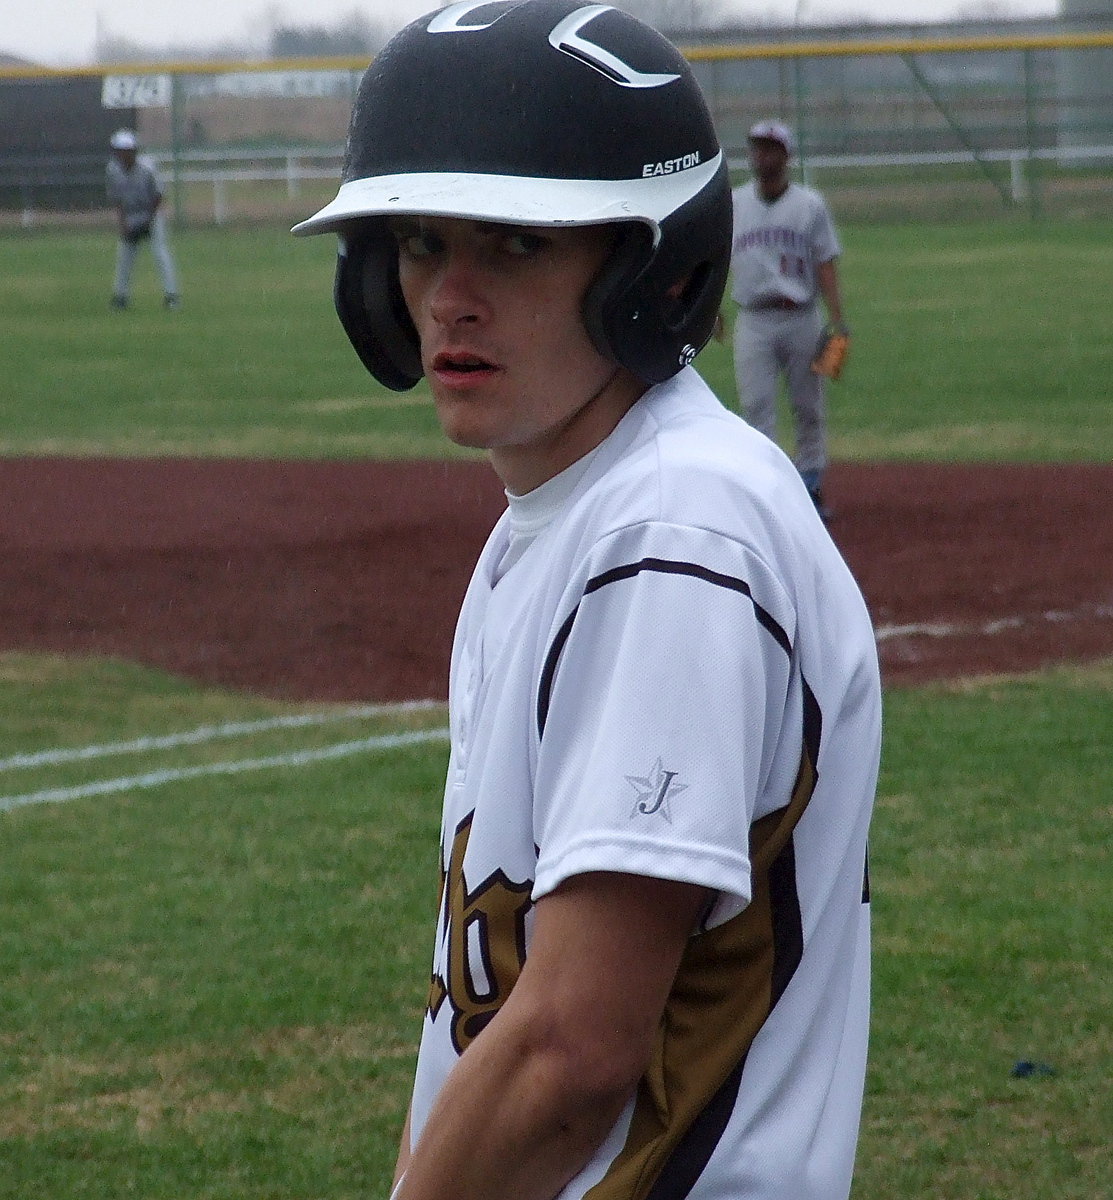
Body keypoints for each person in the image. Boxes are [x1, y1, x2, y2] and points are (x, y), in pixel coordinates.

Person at [294, 3, 881, 1198]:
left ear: (646, 270)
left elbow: (571, 1051)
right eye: (417, 242)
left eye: (513, 245)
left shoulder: (671, 533)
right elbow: (488, 1031)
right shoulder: (574, 514)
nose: (446, 296)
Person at [730, 119, 847, 521]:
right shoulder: (736, 203)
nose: (762, 155)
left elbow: (826, 261)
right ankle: (767, 493)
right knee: (755, 406)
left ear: (786, 155)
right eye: (757, 147)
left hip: (801, 318)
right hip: (754, 320)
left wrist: (838, 321)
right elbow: (714, 258)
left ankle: (810, 488)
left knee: (808, 406)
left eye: (770, 148)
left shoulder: (809, 205)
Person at [105, 128, 180, 310]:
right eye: (121, 150)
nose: (125, 154)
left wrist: (149, 221)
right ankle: (120, 297)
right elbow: (117, 199)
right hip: (130, 216)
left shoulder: (147, 168)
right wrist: (123, 224)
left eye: (128, 150)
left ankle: (172, 296)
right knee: (125, 257)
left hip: (151, 214)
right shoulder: (112, 170)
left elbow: (158, 195)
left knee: (160, 254)